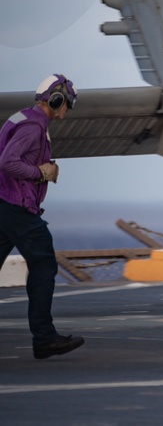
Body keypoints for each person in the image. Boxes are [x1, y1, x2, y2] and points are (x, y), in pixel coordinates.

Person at [0, 74, 84, 359]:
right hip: (17, 208)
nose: (67, 110)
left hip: (5, 204)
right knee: (44, 265)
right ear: (56, 99)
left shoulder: (22, 117)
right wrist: (40, 173)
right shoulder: (34, 126)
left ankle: (44, 337)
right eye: (67, 103)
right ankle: (44, 338)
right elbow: (8, 161)